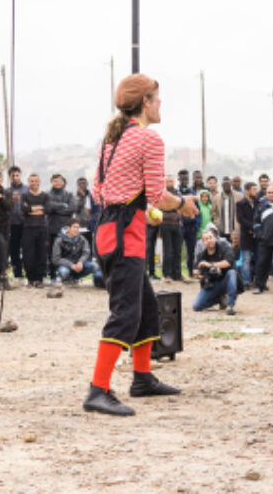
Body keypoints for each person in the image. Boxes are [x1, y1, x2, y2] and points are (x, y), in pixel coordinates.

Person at [85, 74, 197, 417]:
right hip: (126, 238)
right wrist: (183, 205)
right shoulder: (148, 139)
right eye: (157, 97)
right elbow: (156, 195)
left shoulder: (112, 139)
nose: (161, 103)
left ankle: (143, 378)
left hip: (108, 232)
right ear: (145, 102)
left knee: (147, 309)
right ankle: (98, 390)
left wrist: (134, 210)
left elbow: (98, 191)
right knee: (126, 313)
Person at [192, 228, 238, 315]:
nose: (209, 240)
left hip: (226, 281)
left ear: (215, 238)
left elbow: (228, 262)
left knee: (231, 273)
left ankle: (230, 305)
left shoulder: (225, 248)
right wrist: (198, 275)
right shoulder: (201, 255)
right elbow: (195, 270)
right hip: (212, 284)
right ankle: (219, 299)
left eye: (211, 237)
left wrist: (210, 265)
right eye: (206, 239)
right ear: (203, 242)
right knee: (196, 306)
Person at [52, 219, 104, 287]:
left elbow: (86, 252)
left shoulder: (82, 238)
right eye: (74, 227)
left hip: (79, 265)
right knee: (63, 272)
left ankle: (76, 278)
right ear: (68, 228)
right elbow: (56, 259)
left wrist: (80, 262)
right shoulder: (59, 240)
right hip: (66, 266)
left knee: (95, 266)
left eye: (78, 227)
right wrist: (71, 265)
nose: (76, 229)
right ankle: (66, 280)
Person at [20, 173, 50, 288]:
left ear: (39, 182)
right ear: (29, 182)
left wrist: (31, 209)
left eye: (36, 181)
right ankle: (30, 279)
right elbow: (23, 209)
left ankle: (39, 279)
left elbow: (47, 209)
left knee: (42, 254)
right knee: (28, 255)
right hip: (28, 228)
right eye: (32, 181)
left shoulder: (45, 196)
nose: (34, 183)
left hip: (42, 228)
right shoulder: (25, 195)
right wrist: (38, 208)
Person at [46, 173, 77, 279]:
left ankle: (68, 275)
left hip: (66, 229)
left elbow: (73, 208)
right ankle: (52, 275)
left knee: (68, 252)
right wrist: (63, 206)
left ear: (63, 182)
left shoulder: (69, 194)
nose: (57, 183)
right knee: (52, 252)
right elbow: (48, 208)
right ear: (52, 182)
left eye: (59, 181)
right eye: (55, 181)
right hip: (52, 228)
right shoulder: (47, 194)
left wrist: (56, 210)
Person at [252, 184, 273, 294]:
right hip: (265, 241)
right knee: (262, 263)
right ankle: (259, 286)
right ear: (266, 194)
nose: (271, 194)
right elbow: (256, 223)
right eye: (269, 192)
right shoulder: (260, 206)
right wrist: (261, 235)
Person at [235, 182, 259, 292]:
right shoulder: (240, 204)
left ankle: (258, 282)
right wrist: (252, 226)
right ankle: (246, 282)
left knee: (259, 259)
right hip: (246, 235)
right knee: (246, 259)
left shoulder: (259, 203)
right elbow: (240, 219)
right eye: (254, 189)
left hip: (259, 235)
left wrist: (257, 228)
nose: (256, 191)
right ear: (247, 191)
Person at [159, 175, 184, 282]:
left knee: (177, 250)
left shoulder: (178, 193)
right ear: (164, 183)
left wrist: (172, 206)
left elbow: (181, 208)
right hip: (165, 224)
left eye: (171, 181)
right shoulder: (162, 194)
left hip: (177, 224)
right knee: (168, 250)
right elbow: (163, 206)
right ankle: (167, 274)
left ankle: (177, 274)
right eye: (168, 181)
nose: (170, 183)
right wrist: (173, 206)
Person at [7, 166, 29, 281]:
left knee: (27, 250)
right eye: (13, 176)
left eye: (17, 175)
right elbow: (5, 207)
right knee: (14, 251)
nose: (15, 178)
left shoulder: (27, 189)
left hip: (26, 224)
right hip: (12, 225)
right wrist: (11, 201)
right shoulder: (7, 191)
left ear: (20, 175)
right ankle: (18, 275)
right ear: (9, 177)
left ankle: (30, 274)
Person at [176, 169, 197, 273]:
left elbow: (197, 209)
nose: (184, 180)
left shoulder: (192, 192)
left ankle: (191, 271)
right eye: (182, 178)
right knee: (178, 250)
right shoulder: (176, 192)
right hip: (180, 225)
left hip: (191, 226)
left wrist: (195, 223)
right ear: (178, 179)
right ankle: (178, 272)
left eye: (186, 179)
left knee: (191, 250)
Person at [212, 175, 243, 241]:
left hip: (235, 230)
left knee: (235, 249)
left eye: (227, 185)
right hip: (222, 230)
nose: (226, 187)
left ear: (231, 185)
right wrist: (217, 222)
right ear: (222, 186)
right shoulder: (216, 198)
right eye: (224, 185)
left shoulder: (239, 196)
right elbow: (214, 212)